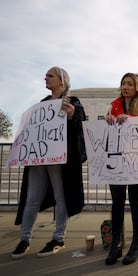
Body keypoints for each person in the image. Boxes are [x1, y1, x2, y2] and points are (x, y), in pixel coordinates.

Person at [12, 66, 86, 259]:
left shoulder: (72, 102)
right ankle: (24, 239)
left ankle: (58, 238)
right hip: (38, 159)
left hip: (59, 160)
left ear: (61, 80)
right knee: (31, 198)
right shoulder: (42, 104)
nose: (46, 78)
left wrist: (71, 116)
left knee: (61, 198)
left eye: (50, 76)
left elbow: (80, 128)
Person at [104, 73, 138, 266]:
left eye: (130, 84)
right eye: (123, 83)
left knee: (135, 201)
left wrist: (131, 119)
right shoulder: (113, 107)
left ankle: (136, 243)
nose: (125, 87)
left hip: (136, 163)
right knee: (117, 202)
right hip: (116, 161)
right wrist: (107, 120)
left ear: (137, 88)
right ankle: (116, 244)